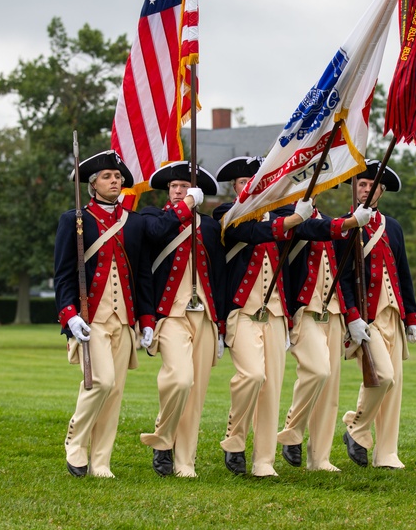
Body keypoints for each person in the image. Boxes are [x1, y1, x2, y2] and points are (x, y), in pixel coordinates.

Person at [53, 150, 153, 479]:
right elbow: (64, 274)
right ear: (93, 184)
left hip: (123, 318)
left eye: (118, 176)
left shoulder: (133, 221)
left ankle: (101, 461)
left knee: (116, 392)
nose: (115, 181)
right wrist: (69, 314)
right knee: (101, 382)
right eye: (107, 177)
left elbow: (142, 275)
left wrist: (147, 320)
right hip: (90, 317)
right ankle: (75, 441)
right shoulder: (75, 220)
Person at [212, 156, 305, 477]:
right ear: (234, 187)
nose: (249, 187)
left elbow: (316, 228)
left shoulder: (281, 213)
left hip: (277, 314)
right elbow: (250, 232)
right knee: (252, 376)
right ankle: (234, 438)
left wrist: (339, 222)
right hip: (243, 313)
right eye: (243, 182)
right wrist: (291, 222)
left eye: (256, 181)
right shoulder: (226, 214)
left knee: (272, 388)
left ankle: (264, 460)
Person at [139, 161, 225, 478]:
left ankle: (185, 461)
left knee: (197, 392)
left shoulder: (210, 229)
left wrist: (221, 328)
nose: (179, 191)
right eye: (174, 187)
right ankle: (163, 440)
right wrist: (186, 207)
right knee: (180, 379)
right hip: (170, 315)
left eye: (185, 187)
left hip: (204, 316)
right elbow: (155, 233)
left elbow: (219, 277)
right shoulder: (153, 217)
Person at [273, 192, 370, 473]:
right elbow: (308, 229)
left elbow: (342, 276)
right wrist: (350, 222)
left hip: (335, 314)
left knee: (330, 391)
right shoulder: (286, 218)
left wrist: (352, 316)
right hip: (305, 312)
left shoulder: (329, 222)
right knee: (318, 371)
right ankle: (292, 429)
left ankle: (320, 458)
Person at [338, 160, 416, 469]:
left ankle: (386, 453)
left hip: (393, 316)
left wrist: (411, 317)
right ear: (354, 188)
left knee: (394, 385)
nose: (365, 189)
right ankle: (356, 427)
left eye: (372, 185)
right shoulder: (345, 225)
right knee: (381, 377)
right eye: (360, 184)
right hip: (366, 318)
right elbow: (342, 279)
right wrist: (352, 316)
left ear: (380, 192)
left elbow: (403, 274)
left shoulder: (393, 227)